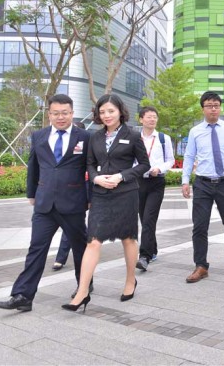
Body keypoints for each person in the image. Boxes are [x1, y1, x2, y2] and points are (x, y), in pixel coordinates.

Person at [0, 94, 90, 312]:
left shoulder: (85, 137)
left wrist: (91, 198)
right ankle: (23, 296)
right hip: (44, 204)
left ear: (72, 113)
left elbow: (91, 170)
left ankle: (84, 287)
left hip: (73, 203)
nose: (60, 117)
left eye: (65, 113)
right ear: (49, 114)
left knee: (80, 248)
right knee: (36, 248)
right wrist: (31, 193)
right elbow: (33, 166)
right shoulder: (39, 135)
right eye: (56, 113)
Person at [62, 94, 150, 312]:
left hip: (126, 193)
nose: (106, 115)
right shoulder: (95, 137)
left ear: (120, 111)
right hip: (101, 194)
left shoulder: (133, 135)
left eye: (110, 111)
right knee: (93, 241)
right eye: (102, 112)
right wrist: (95, 178)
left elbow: (144, 165)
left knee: (128, 239)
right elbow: (90, 164)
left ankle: (131, 280)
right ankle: (82, 291)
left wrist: (122, 176)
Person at [182, 91, 224, 283]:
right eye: (209, 105)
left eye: (216, 105)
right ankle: (201, 265)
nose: (213, 108)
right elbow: (188, 156)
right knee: (200, 226)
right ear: (203, 108)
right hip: (202, 183)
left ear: (220, 108)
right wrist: (185, 180)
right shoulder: (195, 131)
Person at [136, 106, 174, 272]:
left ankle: (144, 256)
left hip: (156, 182)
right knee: (144, 219)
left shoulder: (163, 138)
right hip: (138, 182)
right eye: (149, 117)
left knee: (149, 218)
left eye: (154, 117)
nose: (152, 120)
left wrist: (159, 168)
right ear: (141, 119)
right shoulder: (134, 138)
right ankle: (153, 249)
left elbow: (170, 160)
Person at [53, 122, 89, 271]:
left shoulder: (86, 143)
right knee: (73, 225)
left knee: (75, 225)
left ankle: (63, 257)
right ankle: (61, 257)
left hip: (86, 186)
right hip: (69, 190)